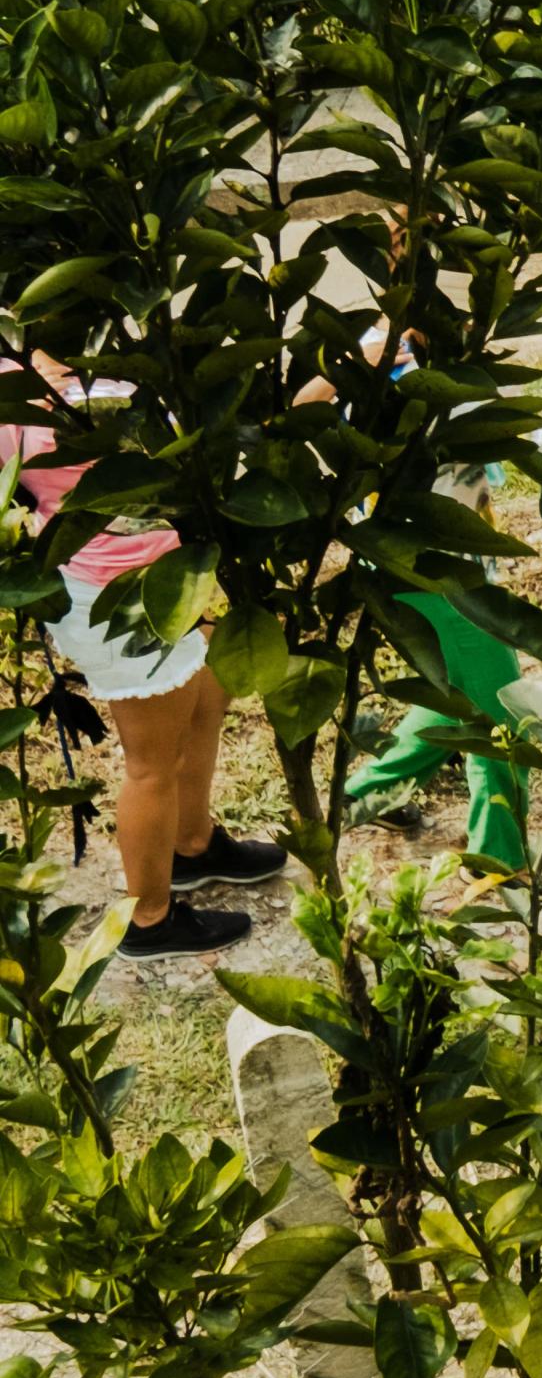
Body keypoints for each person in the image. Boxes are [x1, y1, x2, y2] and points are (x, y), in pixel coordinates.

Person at [9, 364, 283, 958]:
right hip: (112, 592)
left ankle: (194, 843)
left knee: (207, 701)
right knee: (153, 762)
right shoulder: (11, 381)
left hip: (173, 568)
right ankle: (150, 920)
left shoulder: (112, 341)